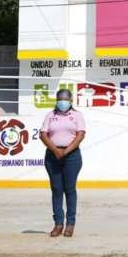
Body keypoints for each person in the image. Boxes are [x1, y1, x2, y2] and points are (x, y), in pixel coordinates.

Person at [39, 89, 86, 237]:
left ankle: (70, 224)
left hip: (72, 156)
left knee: (70, 189)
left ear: (71, 101)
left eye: (65, 99)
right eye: (60, 99)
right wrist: (55, 150)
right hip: (53, 156)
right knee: (56, 189)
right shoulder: (50, 115)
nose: (62, 102)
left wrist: (66, 151)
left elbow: (80, 135)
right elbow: (43, 134)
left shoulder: (77, 116)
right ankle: (58, 224)